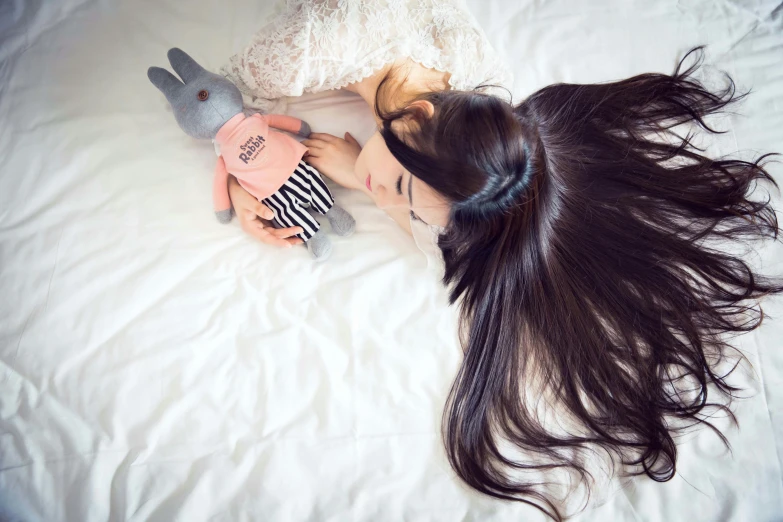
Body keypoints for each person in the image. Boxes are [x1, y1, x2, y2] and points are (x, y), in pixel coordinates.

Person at [220, 1, 783, 520]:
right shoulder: (306, 52)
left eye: (406, 203)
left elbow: (438, 232)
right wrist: (248, 179)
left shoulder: (493, 126)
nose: (384, 199)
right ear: (416, 114)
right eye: (395, 184)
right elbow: (219, 100)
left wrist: (365, 177)